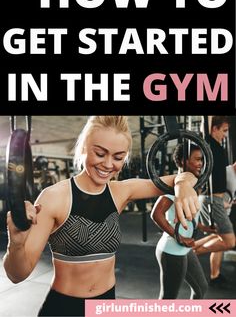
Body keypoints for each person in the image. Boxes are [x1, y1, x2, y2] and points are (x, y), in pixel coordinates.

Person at [3, 116, 199, 317]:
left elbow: (189, 175)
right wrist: (16, 244)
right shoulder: (54, 197)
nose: (107, 164)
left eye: (118, 157)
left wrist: (182, 184)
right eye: (100, 153)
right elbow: (17, 274)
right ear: (84, 148)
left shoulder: (121, 191)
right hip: (64, 309)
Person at [151, 143, 217, 299]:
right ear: (182, 162)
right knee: (168, 298)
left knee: (201, 288)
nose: (201, 163)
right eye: (197, 159)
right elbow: (156, 214)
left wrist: (204, 228)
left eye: (202, 159)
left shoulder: (193, 185)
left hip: (184, 249)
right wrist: (178, 236)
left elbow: (189, 218)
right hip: (171, 250)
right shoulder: (175, 186)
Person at [194, 116, 236, 287]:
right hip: (212, 200)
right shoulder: (209, 144)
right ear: (214, 129)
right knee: (229, 241)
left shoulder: (218, 147)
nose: (225, 135)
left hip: (216, 199)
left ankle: (215, 275)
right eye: (224, 130)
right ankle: (191, 252)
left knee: (217, 236)